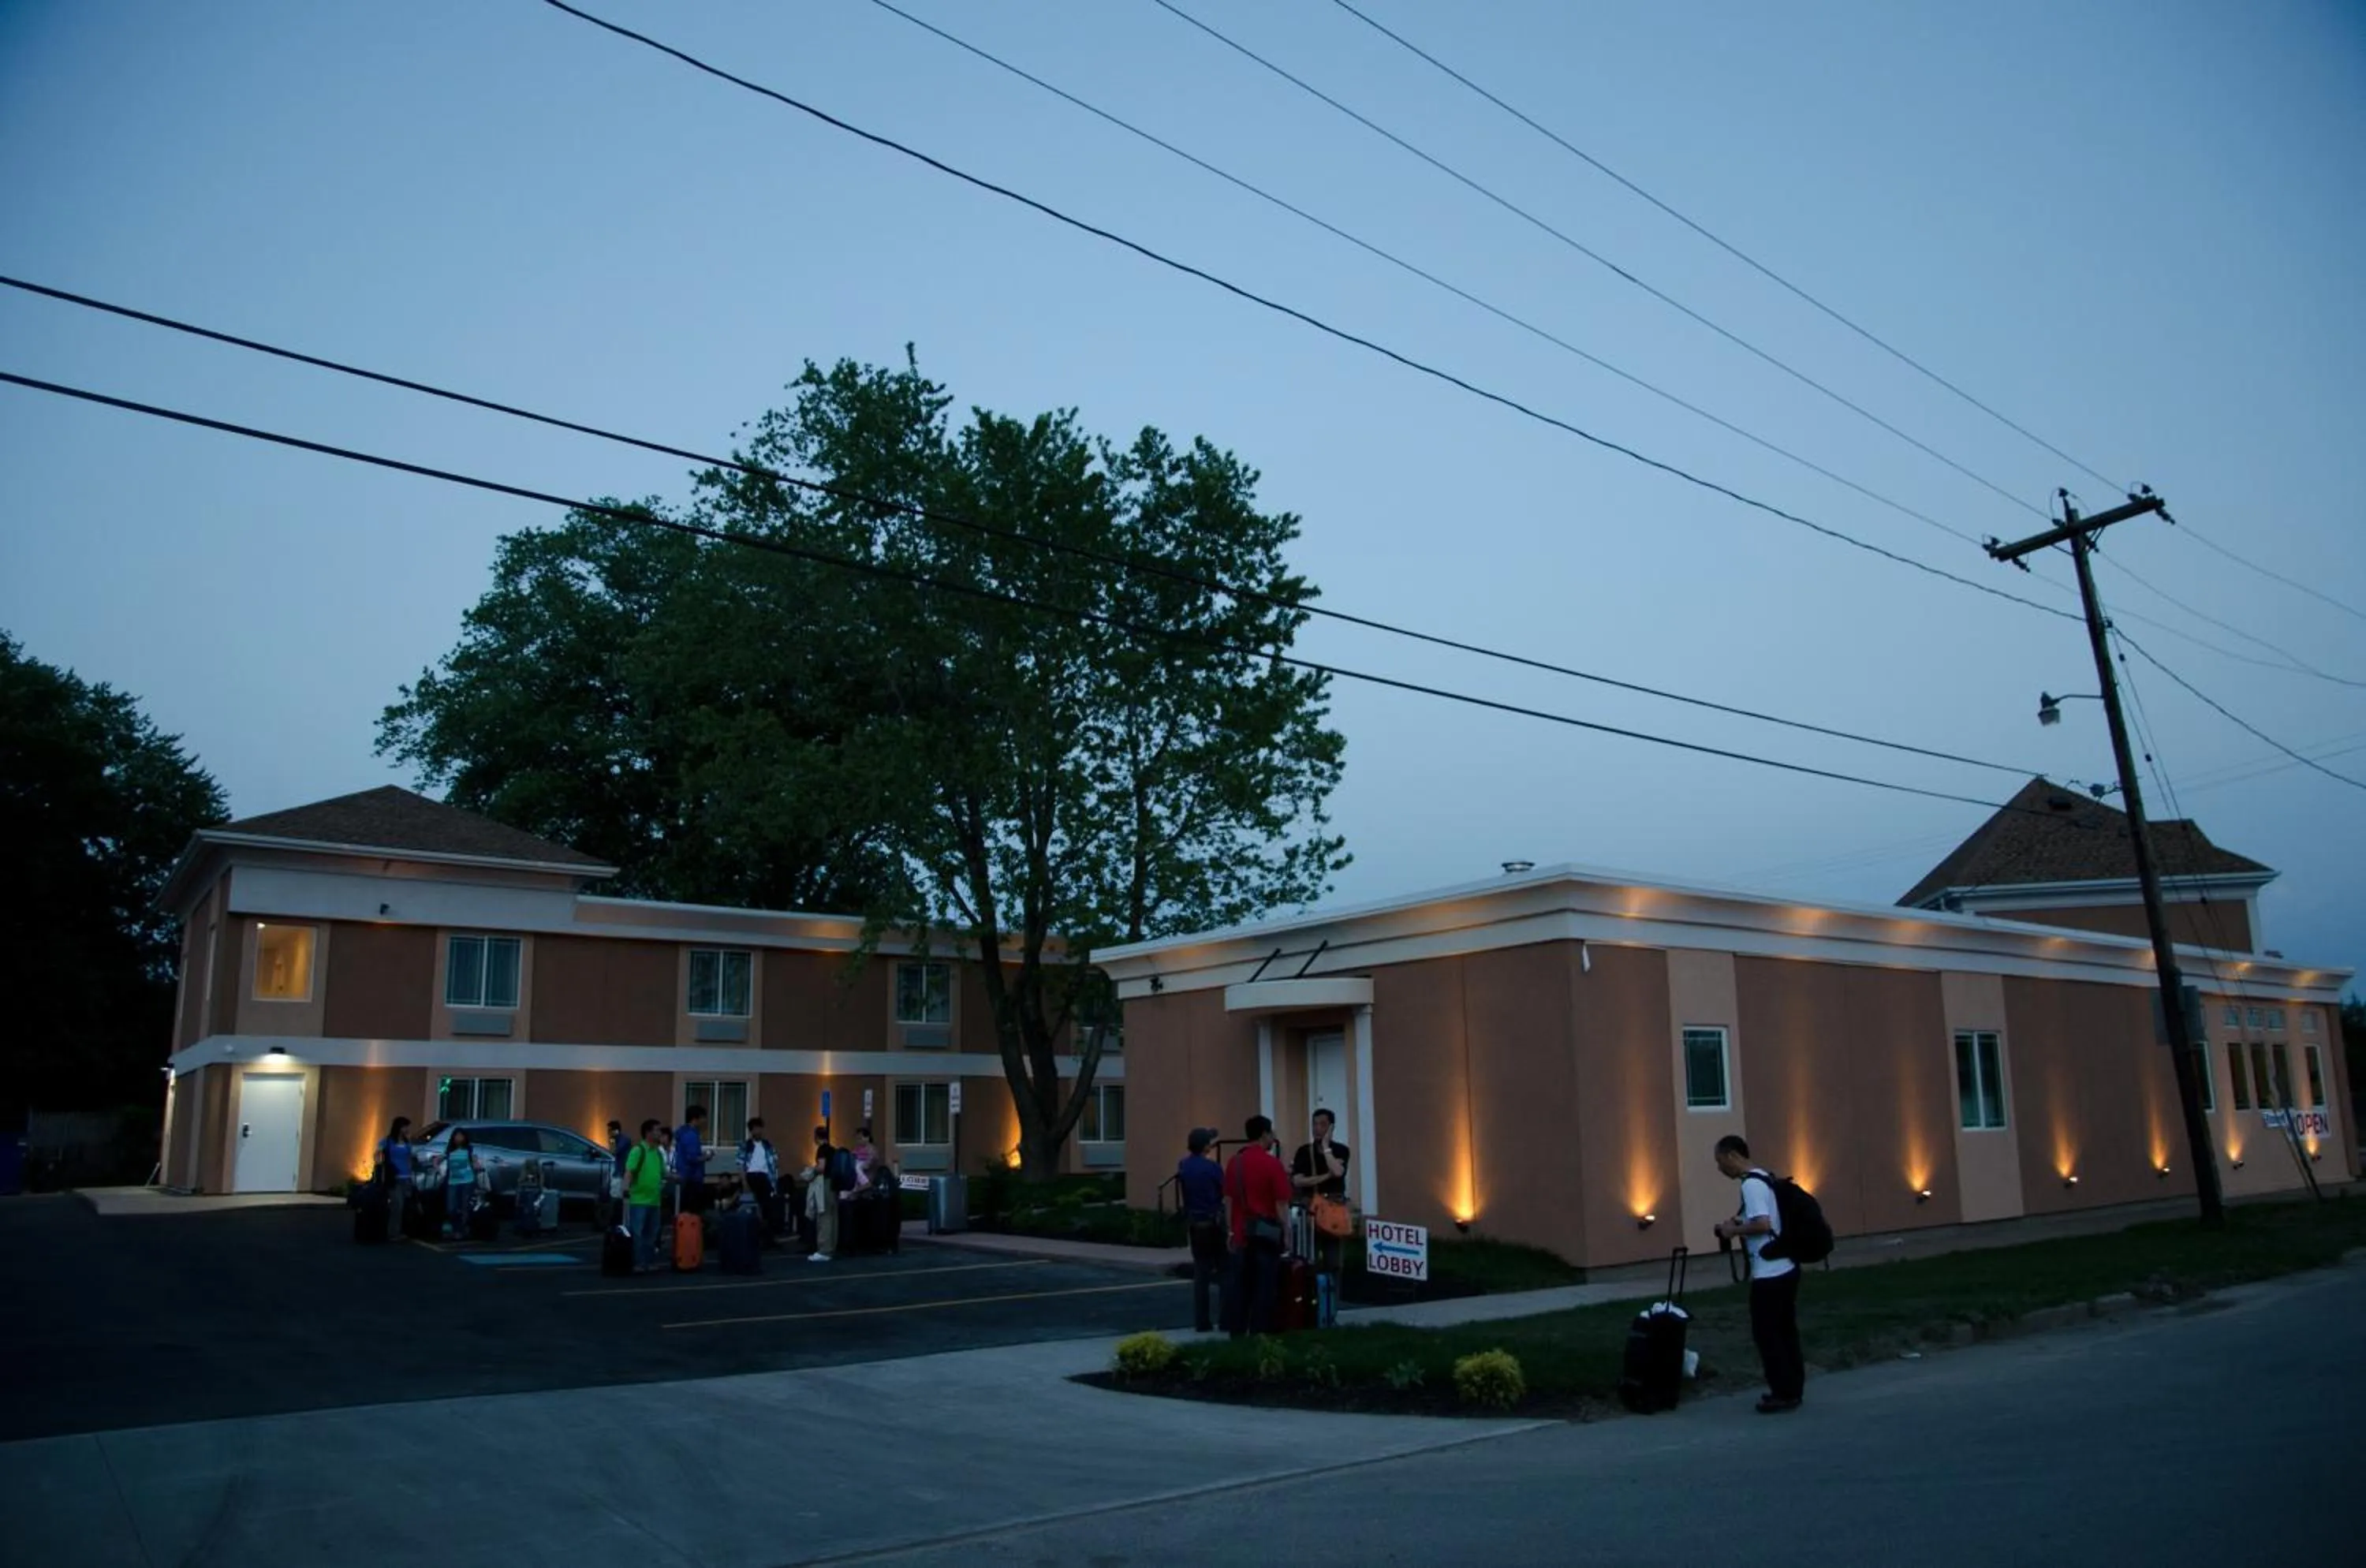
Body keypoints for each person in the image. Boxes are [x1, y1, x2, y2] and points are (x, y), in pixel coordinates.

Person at [1712, 1134, 1805, 1414]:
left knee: (1768, 1334)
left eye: (1720, 1162)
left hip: (1770, 1273)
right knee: (1786, 1331)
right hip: (1786, 1267)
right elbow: (1764, 1217)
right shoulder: (1764, 1177)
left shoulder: (1751, 1185)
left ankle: (1781, 1392)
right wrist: (1740, 1220)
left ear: (1732, 1156)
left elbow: (1763, 1224)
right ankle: (1793, 1388)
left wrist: (1732, 1231)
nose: (1720, 1169)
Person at [1224, 1114, 1291, 1337]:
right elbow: (1281, 1205)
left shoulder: (1235, 1163)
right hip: (1265, 1236)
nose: (1273, 1138)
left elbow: (1229, 1201)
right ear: (1264, 1135)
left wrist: (1231, 1230)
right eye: (1271, 1133)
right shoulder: (1272, 1164)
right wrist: (1288, 1233)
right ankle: (1259, 1336)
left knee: (1240, 1289)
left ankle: (1237, 1335)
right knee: (1264, 1290)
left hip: (1241, 1234)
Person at [1290, 1108, 1352, 1326]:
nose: (1317, 1129)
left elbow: (1338, 1172)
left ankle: (1332, 1310)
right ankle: (1310, 1308)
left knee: (1334, 1262)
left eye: (1322, 1125)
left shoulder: (1341, 1150)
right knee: (1309, 1260)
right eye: (1315, 1124)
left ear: (1331, 1127)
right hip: (1312, 1209)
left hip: (1334, 1209)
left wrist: (1326, 1148)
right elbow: (1298, 1181)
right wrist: (1324, 1175)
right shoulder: (1303, 1152)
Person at [1177, 1127, 1226, 1333]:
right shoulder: (1213, 1168)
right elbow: (1224, 1191)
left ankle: (1202, 1321)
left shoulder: (1183, 1166)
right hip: (1213, 1222)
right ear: (1206, 1146)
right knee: (1225, 1272)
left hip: (1195, 1224)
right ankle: (1226, 1319)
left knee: (1201, 1273)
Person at [623, 1119, 668, 1273]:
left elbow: (663, 1173)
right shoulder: (638, 1151)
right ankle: (639, 1262)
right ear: (648, 1133)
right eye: (657, 1130)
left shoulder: (658, 1153)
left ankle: (648, 1261)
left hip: (654, 1200)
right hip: (639, 1200)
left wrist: (677, 1177)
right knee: (638, 1232)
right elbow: (629, 1171)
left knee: (652, 1233)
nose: (659, 1133)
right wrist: (626, 1189)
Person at [800, 1126, 839, 1263]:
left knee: (824, 1216)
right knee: (833, 1216)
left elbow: (821, 1167)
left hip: (825, 1184)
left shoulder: (822, 1150)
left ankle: (824, 1250)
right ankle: (831, 1247)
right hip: (834, 1185)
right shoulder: (833, 1150)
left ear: (817, 1137)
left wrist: (812, 1171)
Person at [741, 1116, 782, 1242]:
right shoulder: (746, 1146)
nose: (758, 1131)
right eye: (755, 1129)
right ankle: (756, 1235)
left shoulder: (767, 1145)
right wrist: (744, 1182)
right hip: (752, 1176)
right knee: (755, 1205)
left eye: (760, 1129)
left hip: (765, 1177)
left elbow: (775, 1163)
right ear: (751, 1131)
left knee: (769, 1206)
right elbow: (740, 1164)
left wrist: (774, 1181)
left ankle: (768, 1236)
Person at [440, 1127, 484, 1240]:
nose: (459, 1138)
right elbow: (439, 1159)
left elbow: (475, 1162)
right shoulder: (450, 1150)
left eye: (461, 1136)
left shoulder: (469, 1150)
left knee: (465, 1206)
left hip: (467, 1181)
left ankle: (462, 1230)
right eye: (457, 1136)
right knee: (451, 1207)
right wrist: (437, 1166)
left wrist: (477, 1167)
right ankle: (455, 1228)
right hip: (453, 1181)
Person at [377, 1117, 415, 1237]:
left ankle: (401, 1230)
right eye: (405, 1127)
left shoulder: (407, 1142)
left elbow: (410, 1156)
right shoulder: (388, 1141)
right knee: (397, 1204)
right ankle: (393, 1232)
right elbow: (378, 1152)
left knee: (404, 1205)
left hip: (406, 1176)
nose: (407, 1129)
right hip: (394, 1177)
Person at [675, 1105, 710, 1216]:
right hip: (692, 1178)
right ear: (695, 1119)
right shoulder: (691, 1135)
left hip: (686, 1177)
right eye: (703, 1118)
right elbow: (692, 1158)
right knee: (692, 1213)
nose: (705, 1121)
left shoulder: (684, 1133)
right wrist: (706, 1157)